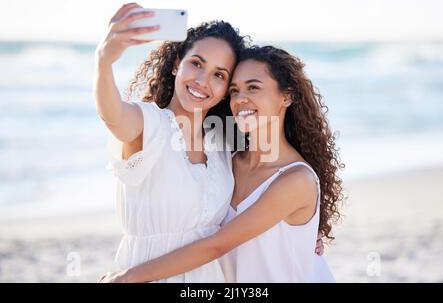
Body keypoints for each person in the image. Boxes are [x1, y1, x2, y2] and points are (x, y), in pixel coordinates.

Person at [98, 45, 344, 283]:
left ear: (287, 96)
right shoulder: (227, 161)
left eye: (253, 87)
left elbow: (217, 244)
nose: (241, 99)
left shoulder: (296, 180)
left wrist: (130, 276)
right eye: (234, 90)